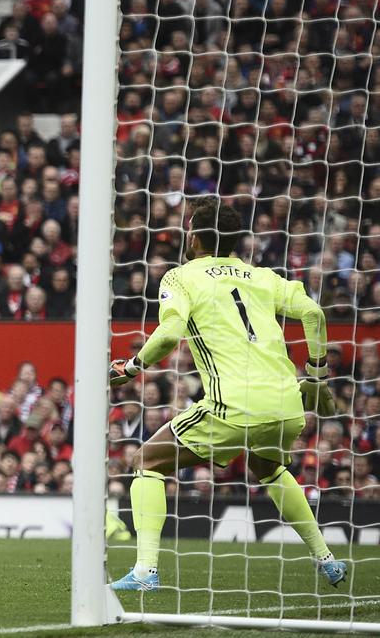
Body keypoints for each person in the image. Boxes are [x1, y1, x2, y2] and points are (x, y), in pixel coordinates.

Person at [108, 198, 347, 592]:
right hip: (288, 403)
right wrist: (318, 377)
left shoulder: (181, 277)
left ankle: (145, 571)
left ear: (195, 236)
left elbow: (168, 334)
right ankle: (326, 559)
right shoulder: (262, 276)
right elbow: (314, 315)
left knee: (146, 460)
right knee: (268, 468)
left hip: (233, 404)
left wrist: (131, 367)